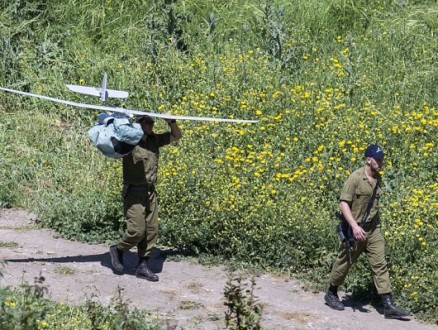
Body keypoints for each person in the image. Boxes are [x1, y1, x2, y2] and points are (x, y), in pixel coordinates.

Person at [324, 144, 410, 319]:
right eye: (377, 159)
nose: (381, 162)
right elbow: (343, 203)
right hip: (355, 230)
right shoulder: (355, 178)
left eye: (382, 159)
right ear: (368, 159)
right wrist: (354, 227)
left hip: (373, 229)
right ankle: (331, 293)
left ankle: (388, 305)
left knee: (380, 264)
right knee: (345, 262)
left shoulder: (378, 178)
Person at [109, 115, 182, 281]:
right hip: (134, 191)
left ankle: (143, 266)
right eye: (147, 122)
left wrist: (172, 122)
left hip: (150, 192)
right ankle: (118, 249)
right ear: (139, 124)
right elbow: (115, 145)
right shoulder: (130, 143)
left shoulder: (154, 140)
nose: (151, 126)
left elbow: (176, 136)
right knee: (136, 230)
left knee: (151, 231)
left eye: (152, 122)